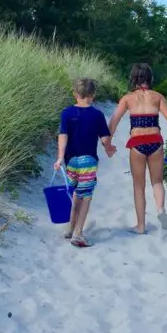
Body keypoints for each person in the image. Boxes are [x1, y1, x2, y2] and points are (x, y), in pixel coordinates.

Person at [107, 63, 167, 234]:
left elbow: (114, 120)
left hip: (137, 143)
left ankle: (141, 226)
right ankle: (161, 211)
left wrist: (108, 143)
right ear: (150, 78)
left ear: (133, 79)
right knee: (157, 181)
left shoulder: (127, 98)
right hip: (155, 142)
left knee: (138, 186)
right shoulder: (158, 96)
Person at [55, 78, 116, 248]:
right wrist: (110, 149)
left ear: (75, 94)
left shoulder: (66, 113)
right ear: (93, 95)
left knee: (76, 193)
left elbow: (63, 136)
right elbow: (105, 140)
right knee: (86, 195)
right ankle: (78, 233)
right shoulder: (97, 115)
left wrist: (60, 157)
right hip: (88, 161)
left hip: (71, 162)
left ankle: (70, 227)